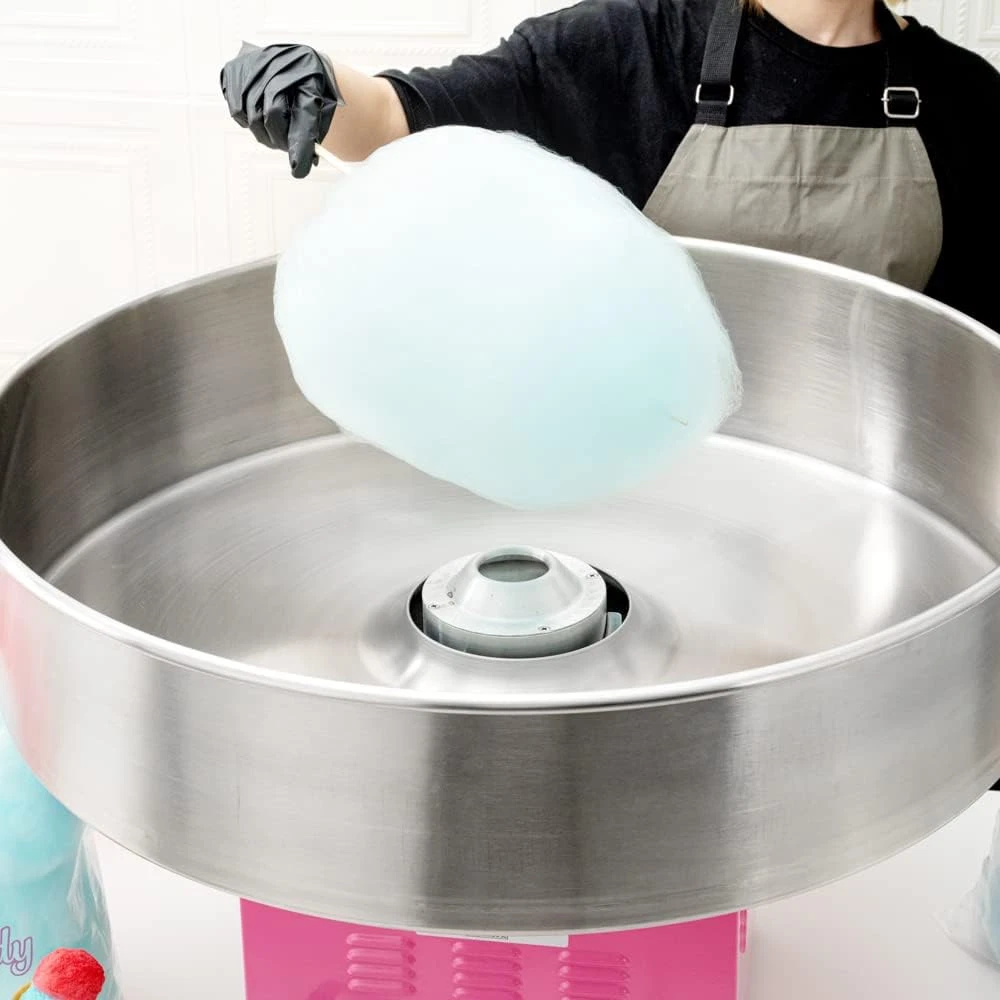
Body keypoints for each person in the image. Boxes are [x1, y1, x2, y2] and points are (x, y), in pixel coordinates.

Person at [220, 0, 1000, 332]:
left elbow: (969, 360)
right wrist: (311, 80)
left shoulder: (970, 100)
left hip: (862, 499)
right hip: (642, 485)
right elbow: (399, 117)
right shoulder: (632, 47)